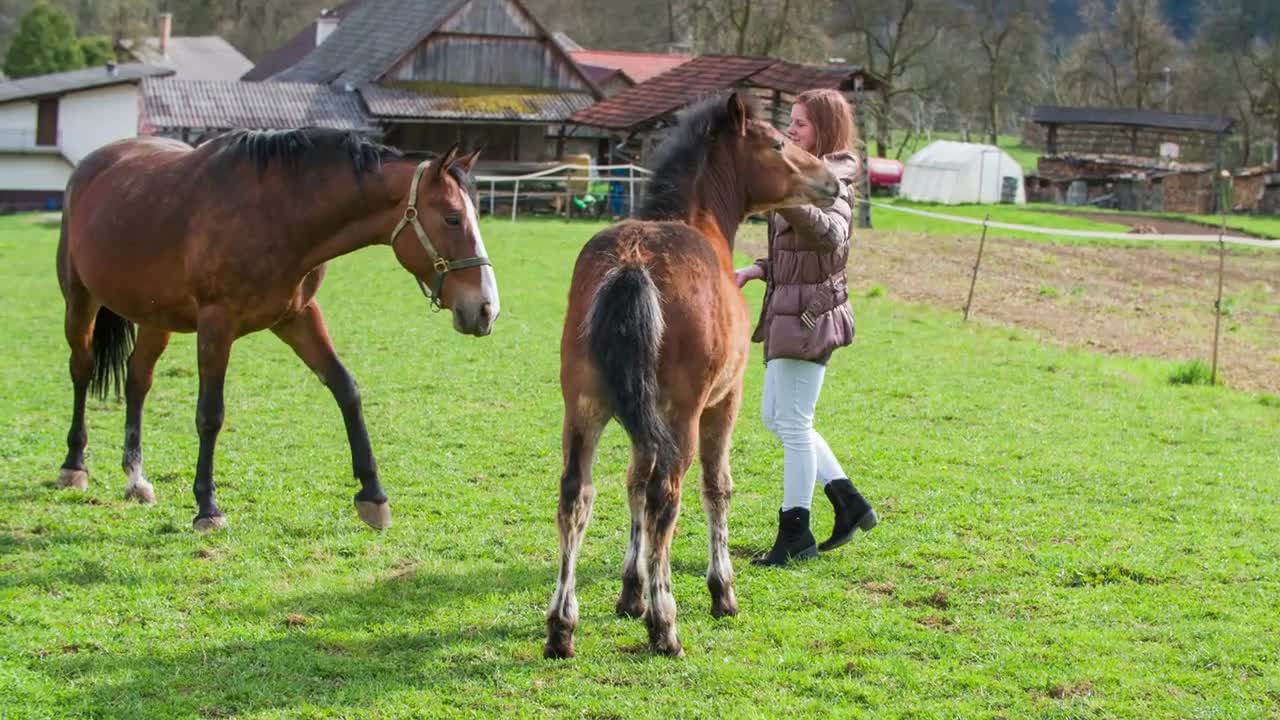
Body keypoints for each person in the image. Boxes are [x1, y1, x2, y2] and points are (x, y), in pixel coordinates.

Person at [735, 88, 877, 567]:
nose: (792, 130)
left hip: (810, 315)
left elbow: (831, 237)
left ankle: (795, 533)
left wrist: (783, 196)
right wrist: (758, 268)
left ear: (826, 129)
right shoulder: (804, 174)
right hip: (791, 308)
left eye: (802, 124)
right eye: (790, 122)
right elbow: (797, 255)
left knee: (793, 423)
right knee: (778, 418)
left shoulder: (833, 177)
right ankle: (848, 501)